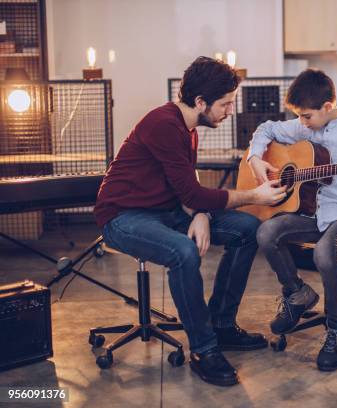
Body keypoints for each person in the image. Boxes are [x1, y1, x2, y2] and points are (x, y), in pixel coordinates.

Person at [94, 56, 286, 386]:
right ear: (200, 102)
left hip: (167, 211)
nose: (229, 112)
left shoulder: (188, 129)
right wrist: (254, 196)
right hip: (123, 216)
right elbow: (193, 192)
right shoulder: (163, 124)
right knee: (183, 251)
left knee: (248, 229)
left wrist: (200, 213)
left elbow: (188, 187)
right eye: (225, 104)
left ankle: (223, 326)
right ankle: (204, 349)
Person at [249, 69, 337, 371]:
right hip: (312, 213)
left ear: (327, 107)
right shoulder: (307, 127)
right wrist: (255, 158)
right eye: (299, 117)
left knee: (324, 251)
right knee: (266, 232)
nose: (302, 123)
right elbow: (267, 128)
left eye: (307, 116)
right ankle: (297, 294)